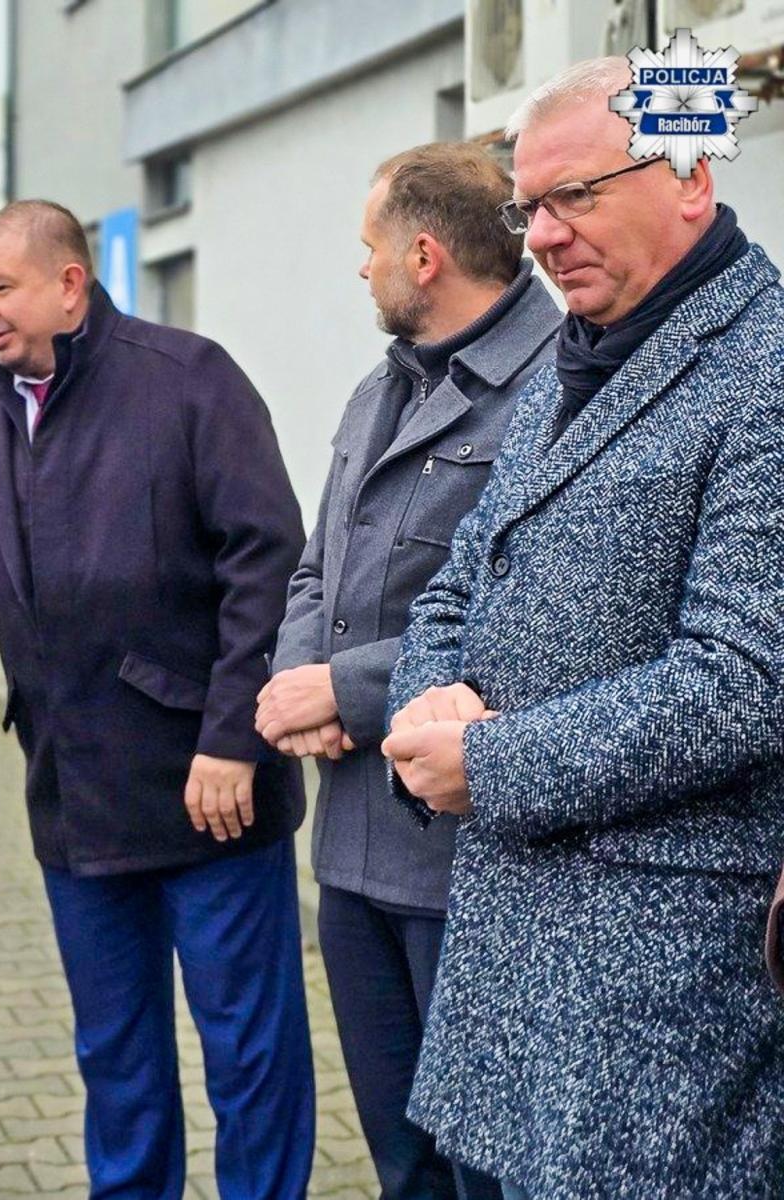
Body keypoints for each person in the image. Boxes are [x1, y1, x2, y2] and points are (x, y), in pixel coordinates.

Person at [382, 59, 784, 1197]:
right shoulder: (578, 360)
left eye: (576, 196)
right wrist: (427, 698)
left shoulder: (764, 367)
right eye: (527, 207)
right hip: (519, 962)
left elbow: (743, 679)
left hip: (662, 994)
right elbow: (459, 579)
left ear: (691, 175)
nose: (543, 237)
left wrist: (488, 761)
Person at [0, 200, 314, 1199]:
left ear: (69, 284)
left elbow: (266, 564)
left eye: (1, 288)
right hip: (73, 799)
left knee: (248, 1060)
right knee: (117, 1062)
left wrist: (231, 740)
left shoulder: (186, 383)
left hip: (208, 793)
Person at [258, 143, 558, 1200]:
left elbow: (531, 616)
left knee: (485, 1165)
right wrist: (300, 684)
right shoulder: (372, 391)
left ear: (422, 255)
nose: (359, 269)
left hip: (462, 860)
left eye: (368, 247)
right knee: (399, 1160)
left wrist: (344, 690)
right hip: (350, 849)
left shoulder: (556, 390)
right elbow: (315, 563)